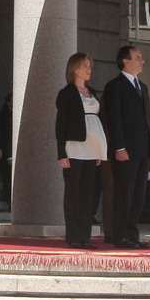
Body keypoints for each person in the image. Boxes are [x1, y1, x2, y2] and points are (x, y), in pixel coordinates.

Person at [101, 46, 150, 249]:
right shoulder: (115, 86)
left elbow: (146, 120)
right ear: (125, 61)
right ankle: (120, 234)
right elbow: (114, 119)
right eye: (138, 57)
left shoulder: (143, 87)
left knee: (138, 195)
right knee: (124, 193)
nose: (142, 60)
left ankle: (132, 234)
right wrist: (119, 147)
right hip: (125, 150)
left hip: (142, 149)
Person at [55, 52, 105, 248]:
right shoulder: (66, 93)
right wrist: (61, 152)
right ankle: (74, 236)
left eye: (90, 66)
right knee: (73, 193)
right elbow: (61, 124)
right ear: (74, 69)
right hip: (74, 147)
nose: (88, 69)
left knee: (88, 193)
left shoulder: (92, 92)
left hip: (93, 147)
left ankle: (85, 236)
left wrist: (101, 150)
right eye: (85, 66)